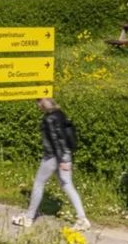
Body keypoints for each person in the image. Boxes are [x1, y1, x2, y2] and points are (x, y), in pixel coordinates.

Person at [12, 98, 93, 230]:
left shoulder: (49, 118)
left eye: (38, 101)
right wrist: (66, 158)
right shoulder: (61, 114)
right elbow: (67, 136)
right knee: (67, 184)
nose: (37, 105)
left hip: (53, 156)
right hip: (66, 153)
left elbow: (56, 139)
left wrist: (61, 160)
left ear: (44, 103)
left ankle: (28, 218)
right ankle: (82, 219)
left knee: (39, 183)